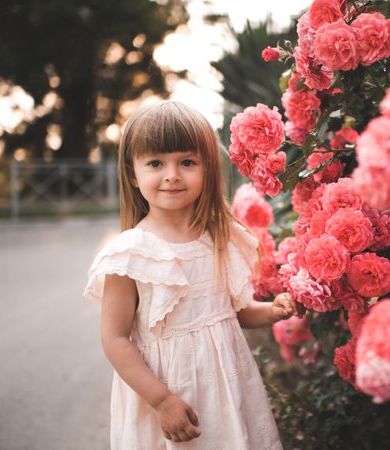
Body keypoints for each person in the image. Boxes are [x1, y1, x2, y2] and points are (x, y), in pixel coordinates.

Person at [84, 101, 301, 449]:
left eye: (187, 162)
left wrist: (273, 310)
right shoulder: (130, 254)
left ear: (207, 168)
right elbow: (115, 340)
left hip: (227, 390)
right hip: (166, 393)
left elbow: (234, 312)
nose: (172, 174)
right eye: (155, 163)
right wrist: (161, 401)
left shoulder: (220, 238)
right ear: (132, 173)